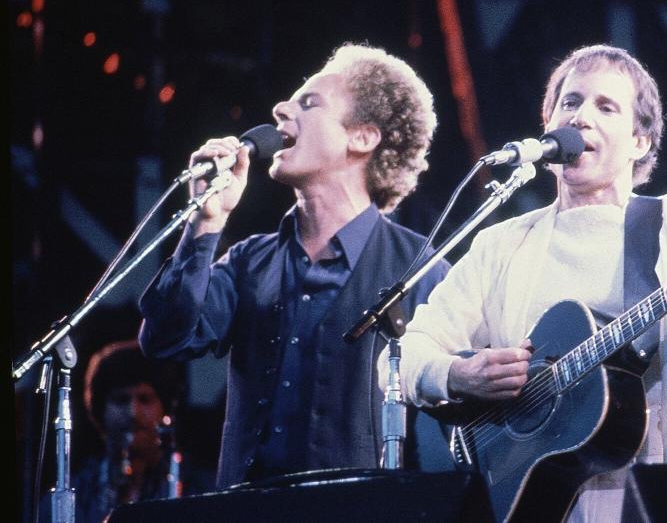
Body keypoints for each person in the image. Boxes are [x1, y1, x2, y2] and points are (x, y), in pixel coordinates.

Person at [382, 44, 667, 521]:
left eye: (606, 107)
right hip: (521, 504)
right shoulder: (502, 243)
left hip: (647, 498)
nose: (582, 117)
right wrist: (457, 375)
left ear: (640, 141)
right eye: (571, 102)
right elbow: (401, 357)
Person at [139, 43, 448, 489]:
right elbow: (165, 340)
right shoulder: (248, 261)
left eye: (309, 103)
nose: (280, 109)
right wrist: (206, 221)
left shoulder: (422, 269)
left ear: (362, 137)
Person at [67, 340, 210, 523]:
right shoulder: (75, 495)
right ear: (100, 410)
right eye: (121, 400)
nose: (133, 413)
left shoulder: (200, 490)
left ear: (165, 410)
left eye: (145, 399)